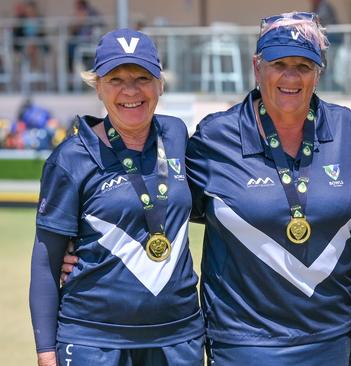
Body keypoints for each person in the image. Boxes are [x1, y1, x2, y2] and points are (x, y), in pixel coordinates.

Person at [185, 11, 351, 364]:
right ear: (258, 67)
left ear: (318, 73)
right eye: (279, 64)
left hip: (331, 338)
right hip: (245, 342)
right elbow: (164, 203)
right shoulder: (215, 137)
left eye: (304, 66)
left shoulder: (346, 129)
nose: (291, 76)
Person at [29, 28, 204, 366]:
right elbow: (45, 263)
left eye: (142, 77)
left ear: (160, 84)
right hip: (93, 341)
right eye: (115, 79)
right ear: (97, 86)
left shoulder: (177, 134)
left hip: (179, 336)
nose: (130, 90)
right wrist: (45, 352)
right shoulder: (70, 158)